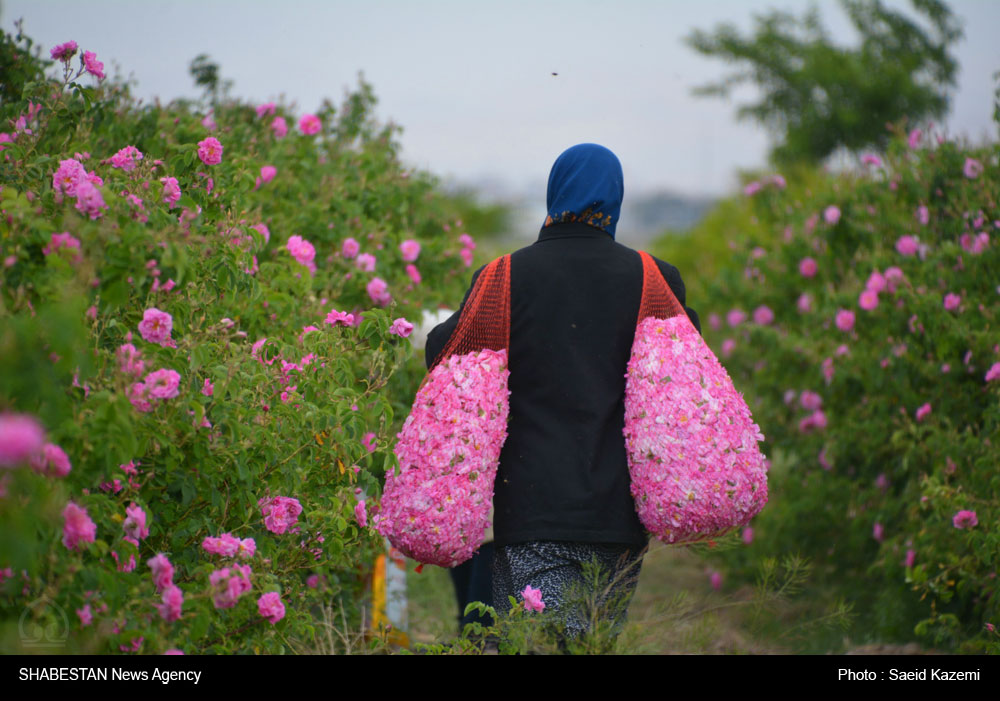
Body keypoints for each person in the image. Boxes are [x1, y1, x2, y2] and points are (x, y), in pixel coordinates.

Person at [424, 143, 701, 649]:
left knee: (532, 643)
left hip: (529, 508)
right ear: (614, 197)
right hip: (619, 517)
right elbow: (687, 372)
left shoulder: (505, 276)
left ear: (556, 192)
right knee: (587, 644)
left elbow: (442, 355)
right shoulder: (655, 280)